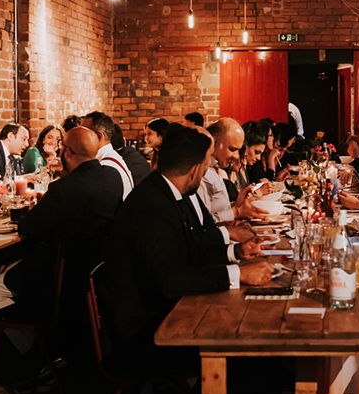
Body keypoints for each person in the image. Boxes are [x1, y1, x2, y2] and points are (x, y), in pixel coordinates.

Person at [100, 123, 273, 363]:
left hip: (164, 311)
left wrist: (236, 252)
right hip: (148, 330)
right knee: (253, 339)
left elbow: (191, 250)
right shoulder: (151, 206)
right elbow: (171, 281)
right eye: (206, 166)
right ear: (195, 169)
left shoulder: (165, 192)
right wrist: (238, 275)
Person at [0, 127, 123, 349]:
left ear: (67, 153)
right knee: (6, 268)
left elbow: (28, 227)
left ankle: (29, 355)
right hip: (93, 273)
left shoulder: (64, 189)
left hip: (58, 277)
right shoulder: (112, 177)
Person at [198, 118, 270, 222]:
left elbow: (216, 210)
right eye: (232, 149)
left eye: (238, 150)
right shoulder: (202, 173)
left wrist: (237, 204)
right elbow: (203, 225)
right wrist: (237, 211)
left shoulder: (215, 169)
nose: (237, 156)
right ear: (214, 141)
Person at [81, 111, 134, 199]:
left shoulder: (104, 167)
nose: (79, 138)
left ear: (98, 136)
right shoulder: (111, 157)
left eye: (83, 134)